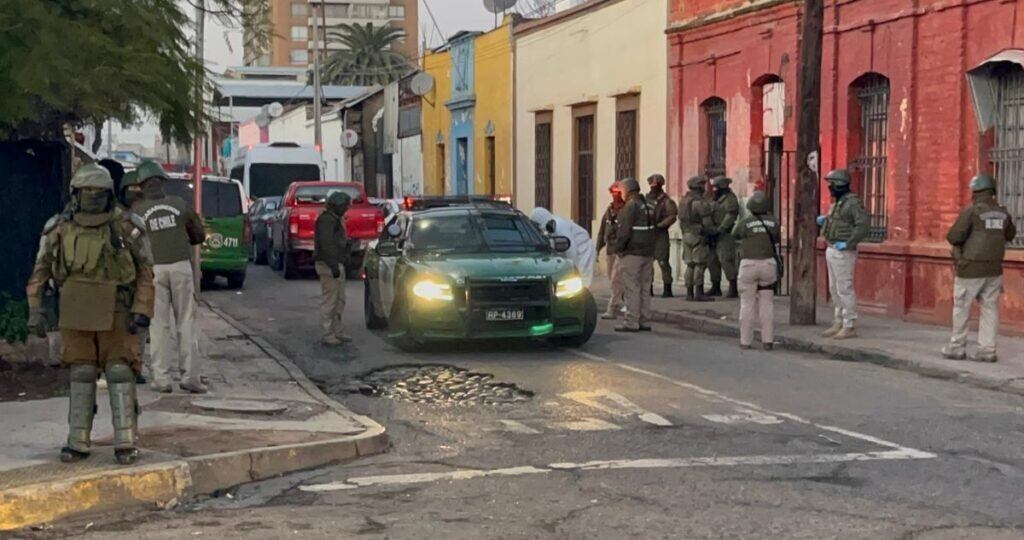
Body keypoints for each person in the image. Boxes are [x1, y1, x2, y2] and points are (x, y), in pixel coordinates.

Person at [26, 164, 154, 465]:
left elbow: (145, 272)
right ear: (76, 194)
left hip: (117, 309)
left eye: (98, 193)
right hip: (76, 308)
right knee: (81, 373)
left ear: (109, 194)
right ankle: (78, 439)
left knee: (120, 372)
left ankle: (125, 439)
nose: (93, 197)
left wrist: (142, 309)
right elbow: (40, 272)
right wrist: (36, 311)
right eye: (87, 192)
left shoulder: (126, 226)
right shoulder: (58, 227)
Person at [132, 160, 207, 393]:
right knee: (186, 322)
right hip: (181, 267)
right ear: (162, 182)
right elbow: (198, 235)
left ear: (141, 186)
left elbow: (131, 244)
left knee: (158, 326)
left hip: (153, 270)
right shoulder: (179, 204)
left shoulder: (137, 212)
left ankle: (161, 379)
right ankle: (190, 378)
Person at [941, 173, 1017, 362]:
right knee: (990, 309)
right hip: (994, 269)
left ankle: (956, 347)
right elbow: (1010, 235)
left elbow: (953, 237)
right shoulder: (1003, 213)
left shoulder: (972, 211)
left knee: (962, 307)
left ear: (975, 191)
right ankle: (987, 350)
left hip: (970, 269)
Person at [817, 169, 870, 339]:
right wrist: (826, 221)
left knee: (844, 288)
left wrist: (848, 243)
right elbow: (839, 221)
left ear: (840, 185)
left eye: (832, 184)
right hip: (832, 247)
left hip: (843, 251)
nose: (830, 188)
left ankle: (849, 324)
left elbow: (862, 225)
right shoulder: (839, 203)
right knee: (834, 288)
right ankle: (838, 320)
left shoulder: (852, 203)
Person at [732, 191, 780, 350]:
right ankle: (768, 340)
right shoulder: (774, 222)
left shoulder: (746, 222)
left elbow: (735, 235)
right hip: (768, 265)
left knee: (747, 303)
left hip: (749, 265)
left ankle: (745, 341)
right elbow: (777, 238)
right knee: (767, 303)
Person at [613, 178, 656, 332]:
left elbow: (624, 232)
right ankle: (645, 320)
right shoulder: (650, 205)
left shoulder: (630, 207)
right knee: (645, 288)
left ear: (628, 191)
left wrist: (619, 248)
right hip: (648, 253)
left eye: (622, 191)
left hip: (632, 253)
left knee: (632, 287)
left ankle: (631, 321)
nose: (621, 194)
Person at [315, 190, 353, 346]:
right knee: (330, 300)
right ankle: (327, 333)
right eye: (344, 206)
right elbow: (326, 245)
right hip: (329, 264)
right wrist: (333, 265)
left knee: (339, 300)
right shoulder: (326, 221)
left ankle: (337, 331)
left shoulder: (334, 219)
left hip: (335, 263)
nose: (346, 209)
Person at [529, 207, 596, 287]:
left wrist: (571, 268)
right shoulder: (549, 229)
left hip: (584, 251)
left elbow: (571, 248)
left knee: (582, 282)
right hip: (574, 253)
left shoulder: (559, 225)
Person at [678, 176, 715, 302]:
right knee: (700, 264)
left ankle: (689, 293)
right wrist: (713, 232)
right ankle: (698, 292)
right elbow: (708, 224)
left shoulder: (683, 201)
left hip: (686, 234)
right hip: (699, 236)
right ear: (699, 187)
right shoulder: (700, 203)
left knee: (690, 265)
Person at [596, 182, 627, 319]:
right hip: (610, 251)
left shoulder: (626, 210)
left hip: (622, 251)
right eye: (613, 193)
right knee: (613, 280)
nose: (615, 196)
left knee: (617, 280)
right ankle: (621, 303)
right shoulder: (609, 211)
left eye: (617, 193)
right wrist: (597, 249)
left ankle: (613, 308)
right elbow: (602, 230)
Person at [707, 176, 740, 298]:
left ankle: (733, 287)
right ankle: (715, 286)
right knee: (712, 261)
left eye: (717, 187)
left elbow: (731, 216)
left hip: (725, 234)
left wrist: (720, 229)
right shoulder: (714, 199)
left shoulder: (730, 199)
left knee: (726, 260)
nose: (714, 189)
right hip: (713, 234)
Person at [647, 174, 679, 298]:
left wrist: (661, 225)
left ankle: (667, 288)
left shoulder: (666, 201)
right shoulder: (646, 199)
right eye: (652, 186)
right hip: (648, 234)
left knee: (663, 262)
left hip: (660, 235)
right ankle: (648, 288)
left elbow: (672, 216)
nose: (653, 188)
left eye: (656, 186)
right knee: (648, 263)